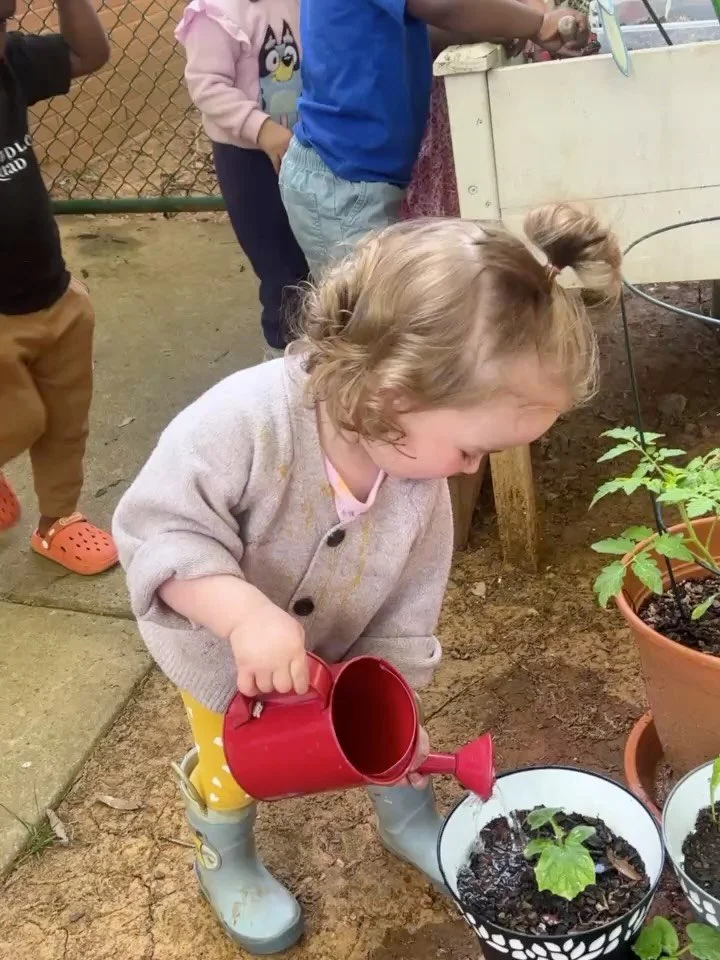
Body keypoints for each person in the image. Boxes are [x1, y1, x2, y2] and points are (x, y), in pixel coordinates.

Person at [113, 203, 621, 955]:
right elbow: (156, 530)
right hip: (223, 655)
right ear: (394, 398)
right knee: (234, 765)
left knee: (389, 729)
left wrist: (392, 685)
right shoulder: (242, 423)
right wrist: (241, 614)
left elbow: (412, 600)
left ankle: (406, 815)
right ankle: (228, 854)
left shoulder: (415, 478)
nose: (472, 469)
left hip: (345, 645)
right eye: (473, 449)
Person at [279, 0, 589, 278]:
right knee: (367, 327)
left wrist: (489, 27)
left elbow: (413, 31)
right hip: (343, 181)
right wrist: (538, 23)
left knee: (382, 317)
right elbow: (442, 4)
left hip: (353, 176)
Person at [0, 0, 117, 574]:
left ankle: (58, 523)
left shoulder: (11, 66)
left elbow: (88, 53)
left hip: (52, 289)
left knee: (67, 418)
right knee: (21, 418)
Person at [175, 0, 309, 358]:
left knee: (316, 259)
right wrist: (261, 128)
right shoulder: (216, 13)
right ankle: (283, 364)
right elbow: (206, 85)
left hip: (306, 146)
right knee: (281, 269)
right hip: (248, 161)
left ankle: (324, 353)